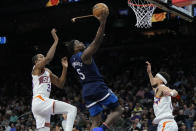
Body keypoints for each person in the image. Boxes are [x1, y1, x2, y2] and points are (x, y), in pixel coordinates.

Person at [65, 8, 123, 131]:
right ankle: (102, 129)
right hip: (96, 86)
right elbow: (96, 41)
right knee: (118, 110)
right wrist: (103, 22)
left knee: (95, 120)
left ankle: (97, 128)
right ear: (75, 49)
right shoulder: (84, 56)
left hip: (86, 91)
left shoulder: (72, 59)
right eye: (78, 42)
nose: (81, 42)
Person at [31, 28, 77, 131]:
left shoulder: (47, 72)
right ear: (36, 62)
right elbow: (48, 58)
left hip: (40, 107)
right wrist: (56, 40)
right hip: (40, 100)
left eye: (43, 57)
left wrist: (64, 68)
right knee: (72, 109)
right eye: (40, 58)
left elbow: (60, 84)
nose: (43, 59)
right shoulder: (36, 69)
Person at [146, 61, 178, 131]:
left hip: (166, 124)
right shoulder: (157, 89)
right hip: (167, 123)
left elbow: (175, 92)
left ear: (161, 81)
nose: (154, 78)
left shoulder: (162, 87)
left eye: (156, 77)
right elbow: (152, 82)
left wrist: (171, 93)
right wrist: (149, 72)